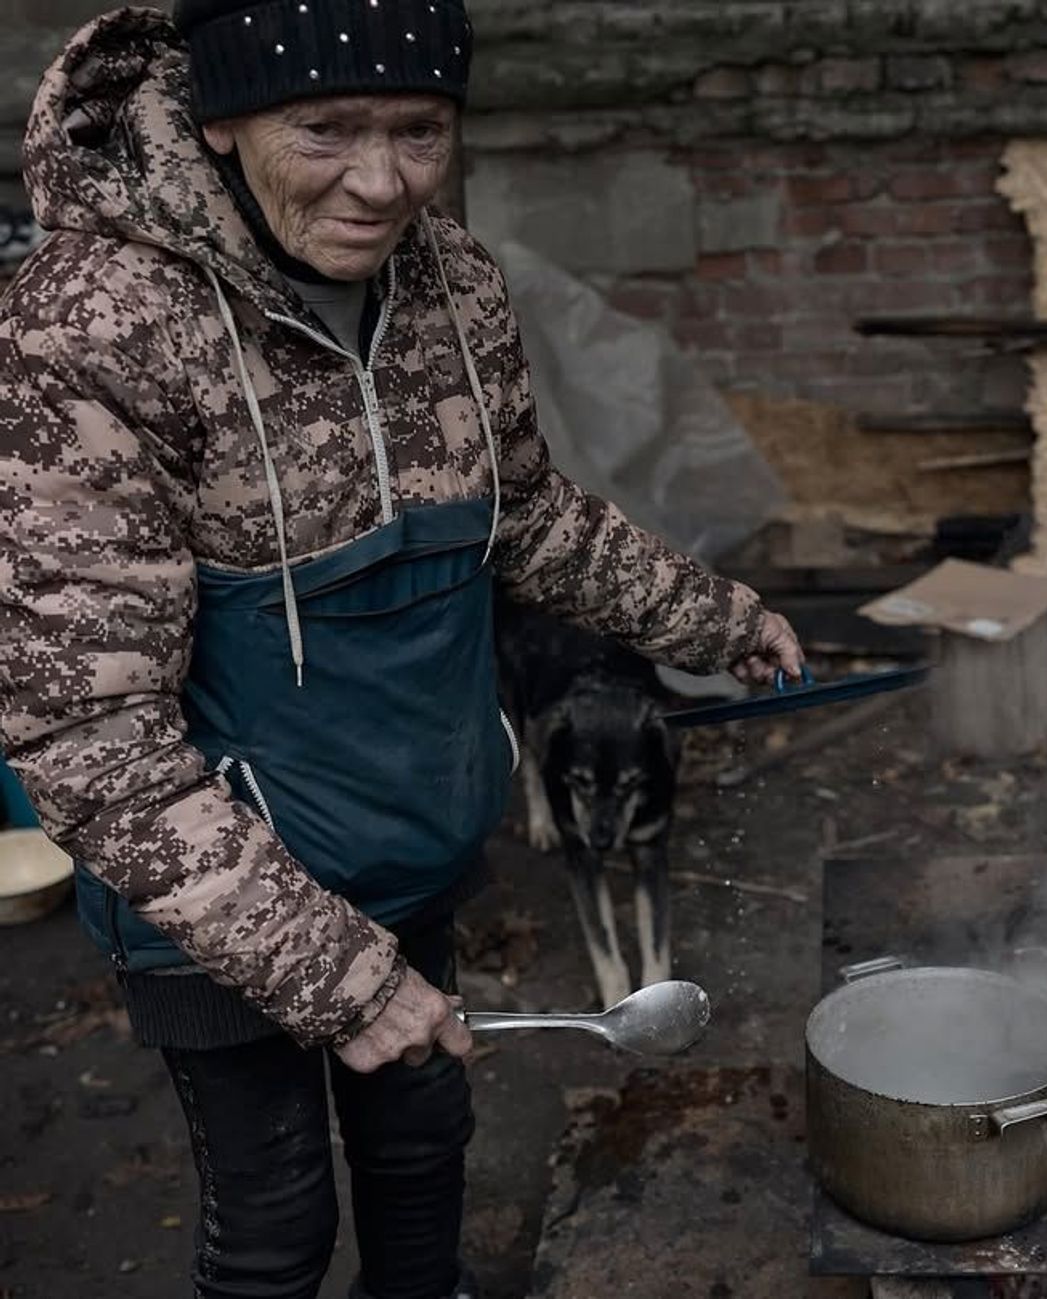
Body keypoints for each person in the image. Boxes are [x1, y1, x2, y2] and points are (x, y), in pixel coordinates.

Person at [0, 4, 803, 1297]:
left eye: (421, 131)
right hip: (219, 890)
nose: (382, 183)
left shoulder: (455, 282)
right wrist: (335, 974)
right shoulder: (93, 326)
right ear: (221, 120)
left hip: (407, 826)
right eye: (326, 128)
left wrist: (710, 616)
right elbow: (86, 734)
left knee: (427, 1150)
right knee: (277, 1226)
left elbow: (521, 514)